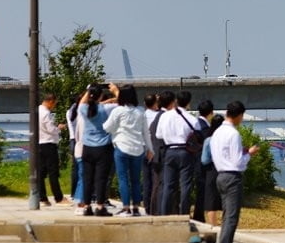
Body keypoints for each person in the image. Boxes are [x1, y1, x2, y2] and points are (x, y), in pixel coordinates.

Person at [212, 101, 259, 243]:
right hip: (232, 177)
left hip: (220, 175)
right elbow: (238, 162)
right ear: (239, 115)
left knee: (226, 215)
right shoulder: (233, 134)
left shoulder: (217, 132)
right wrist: (249, 154)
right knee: (232, 217)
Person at [102, 83, 153, 215]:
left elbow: (107, 127)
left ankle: (126, 207)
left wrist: (116, 129)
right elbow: (145, 132)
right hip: (138, 149)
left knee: (123, 179)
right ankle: (136, 207)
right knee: (136, 180)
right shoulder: (141, 111)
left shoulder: (118, 111)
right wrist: (150, 149)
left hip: (122, 147)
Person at [155, 90, 201, 215]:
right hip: (186, 152)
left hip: (169, 151)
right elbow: (197, 137)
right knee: (185, 185)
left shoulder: (165, 116)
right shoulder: (192, 119)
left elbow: (158, 135)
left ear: (176, 101)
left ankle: (164, 214)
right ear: (189, 103)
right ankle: (184, 213)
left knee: (168, 185)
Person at [78, 84, 115, 216]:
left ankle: (87, 206)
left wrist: (89, 91)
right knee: (101, 179)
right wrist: (115, 90)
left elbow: (82, 102)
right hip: (103, 147)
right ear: (101, 96)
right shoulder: (106, 109)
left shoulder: (84, 109)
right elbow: (122, 101)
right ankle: (100, 206)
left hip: (87, 147)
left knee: (87, 178)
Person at [38, 93, 66, 206]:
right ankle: (58, 197)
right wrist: (58, 128)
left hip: (39, 143)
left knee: (41, 172)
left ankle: (42, 197)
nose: (54, 106)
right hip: (49, 144)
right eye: (54, 103)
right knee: (53, 172)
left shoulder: (37, 111)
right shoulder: (45, 113)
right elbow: (50, 129)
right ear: (50, 101)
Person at [192, 99, 215, 222]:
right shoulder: (205, 128)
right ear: (211, 113)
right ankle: (198, 216)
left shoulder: (195, 123)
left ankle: (197, 215)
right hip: (201, 163)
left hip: (192, 160)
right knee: (202, 190)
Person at [200, 114, 225, 226]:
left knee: (211, 200)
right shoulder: (227, 138)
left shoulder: (209, 140)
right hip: (226, 169)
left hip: (212, 170)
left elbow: (204, 160)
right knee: (226, 199)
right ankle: (226, 225)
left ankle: (213, 226)